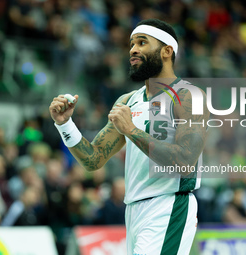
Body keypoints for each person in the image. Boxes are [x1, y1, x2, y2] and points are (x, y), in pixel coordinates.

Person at [49, 19, 209, 255]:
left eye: (142, 43)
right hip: (133, 209)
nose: (133, 49)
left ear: (167, 51)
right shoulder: (127, 101)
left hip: (169, 205)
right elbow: (94, 159)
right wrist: (65, 125)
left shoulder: (188, 96)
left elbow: (186, 162)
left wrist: (132, 130)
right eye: (132, 43)